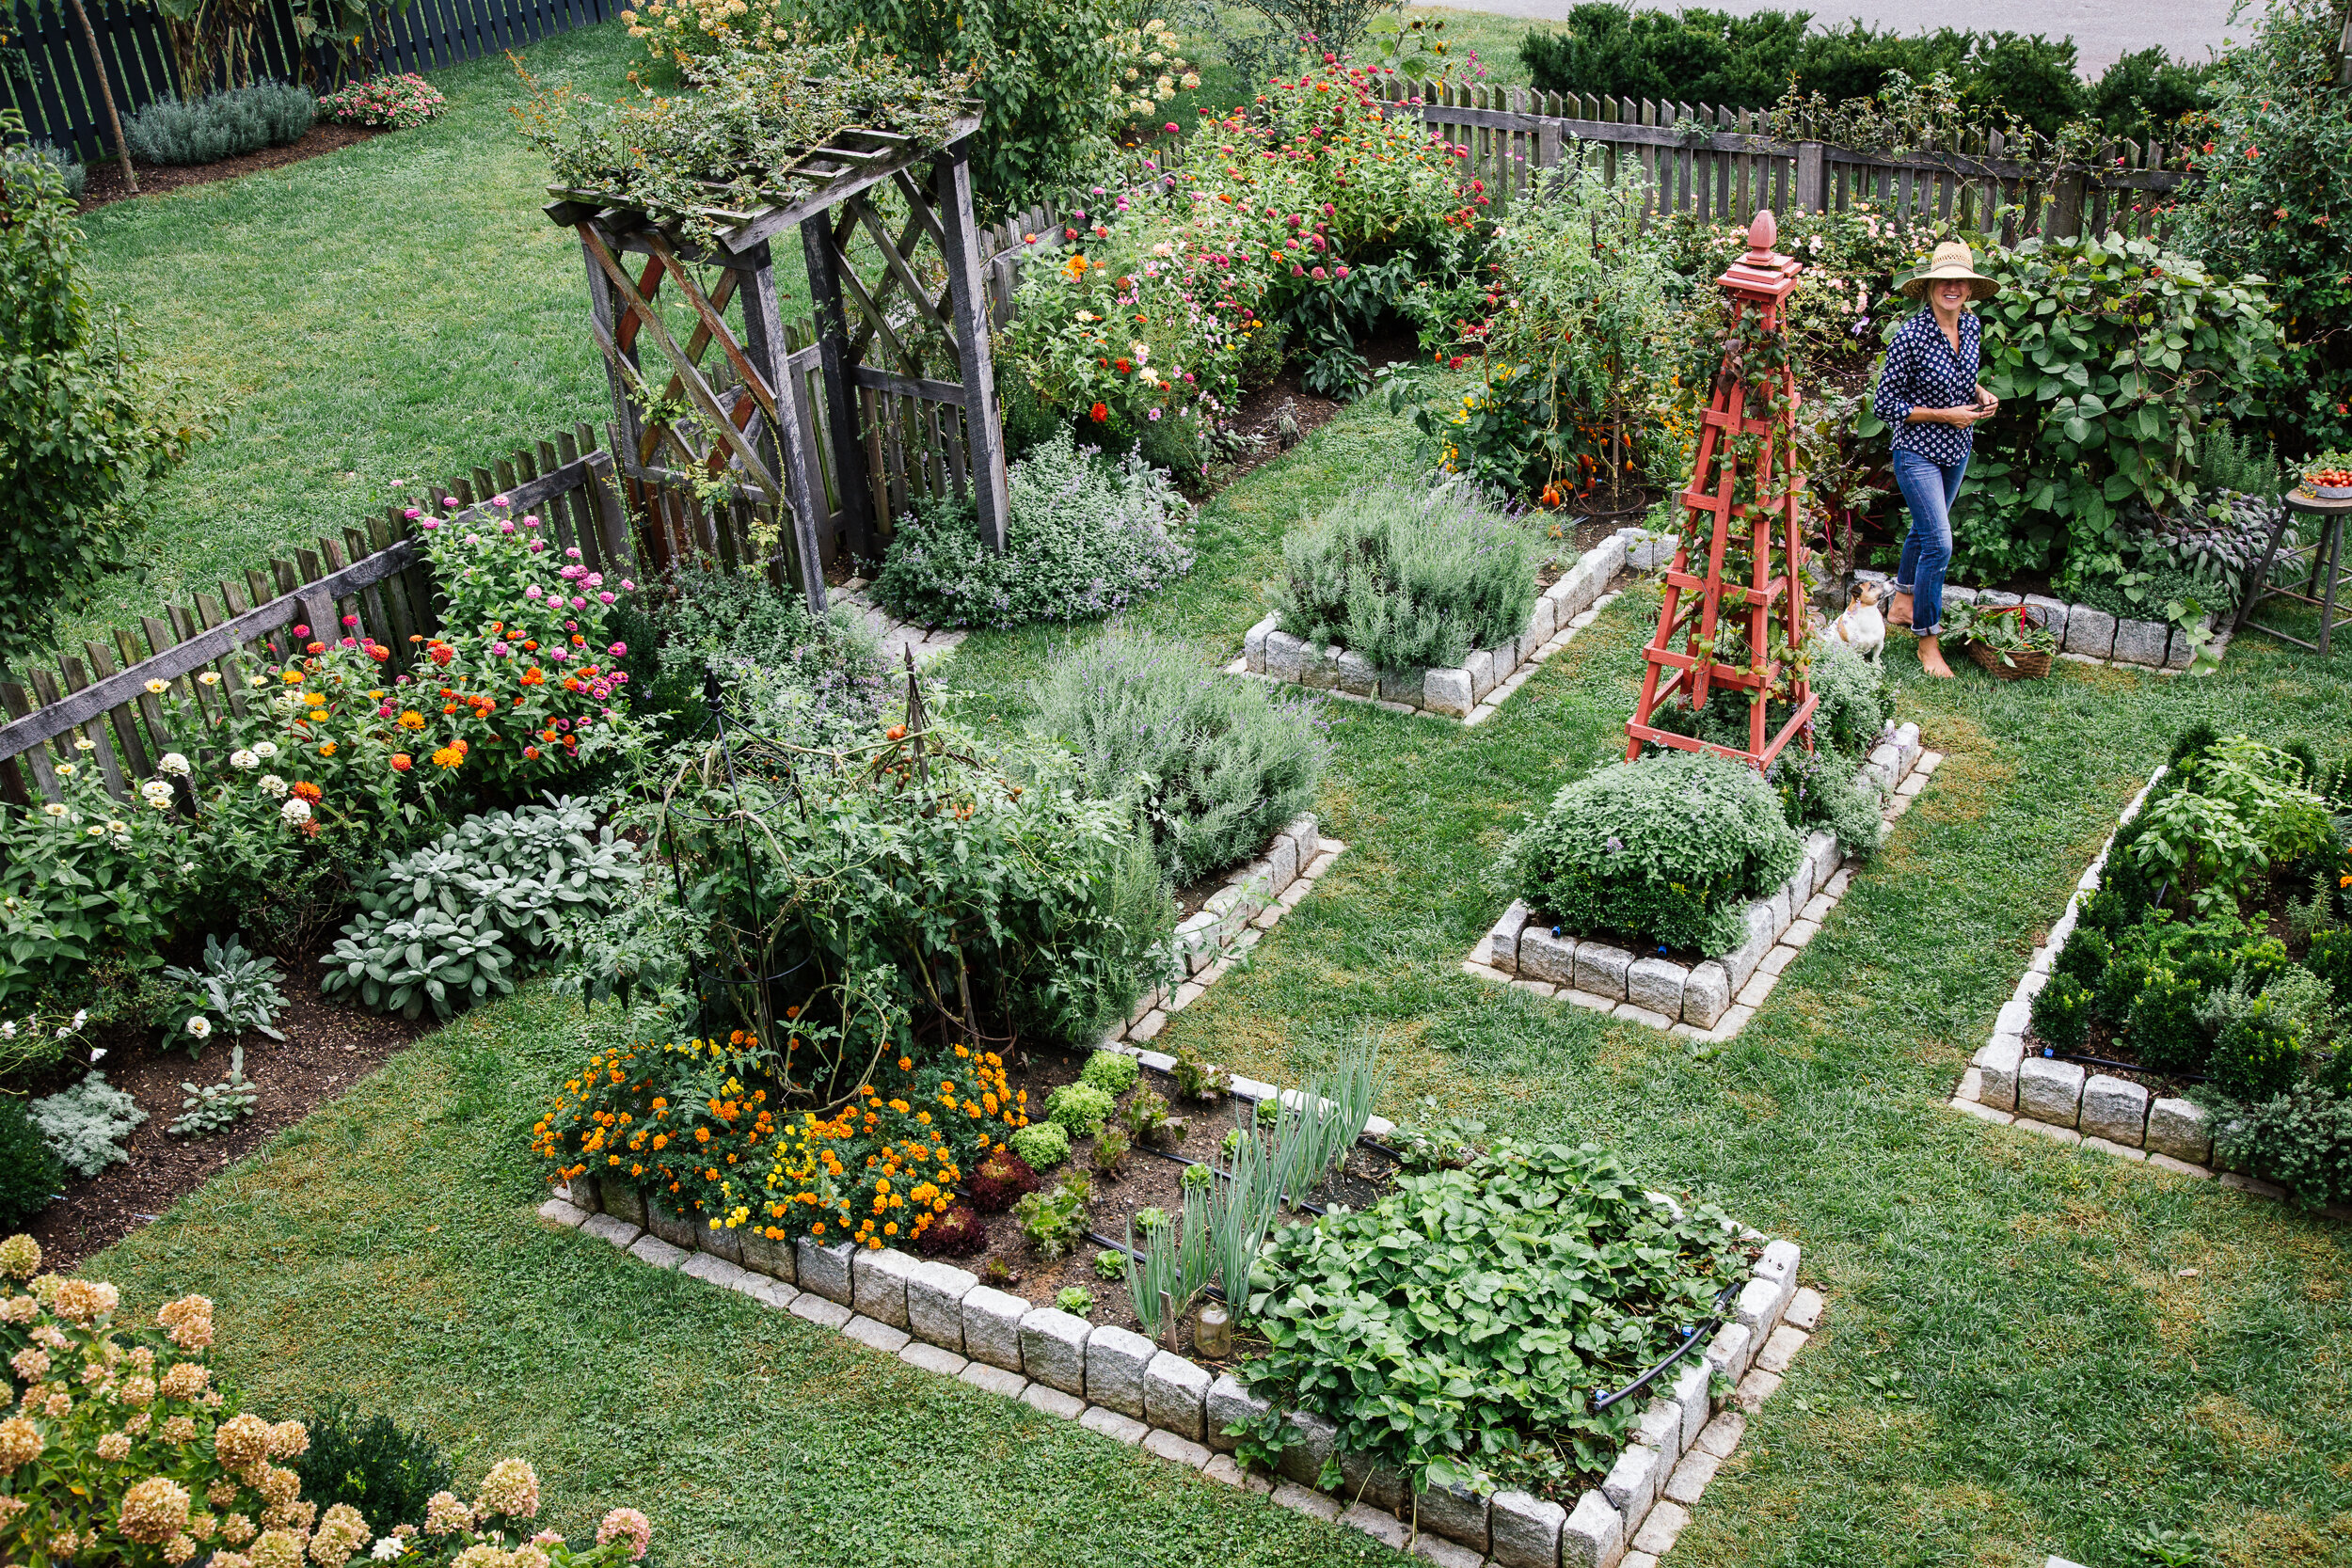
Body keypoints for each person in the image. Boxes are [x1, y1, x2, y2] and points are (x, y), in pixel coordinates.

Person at [1871, 240, 2001, 678]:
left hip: (1955, 451)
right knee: (1940, 543)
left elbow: (1964, 376)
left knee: (1927, 530)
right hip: (1917, 452)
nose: (1952, 287)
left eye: (1959, 280)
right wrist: (1946, 415)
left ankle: (1902, 605)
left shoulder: (1973, 325)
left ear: (1968, 288)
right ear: (1929, 287)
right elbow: (1885, 403)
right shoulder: (1911, 335)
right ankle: (1929, 642)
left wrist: (1980, 393)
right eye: (1943, 280)